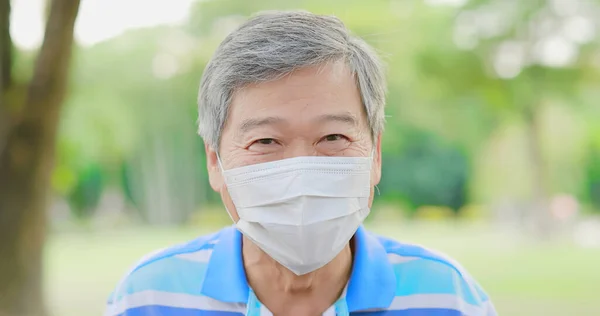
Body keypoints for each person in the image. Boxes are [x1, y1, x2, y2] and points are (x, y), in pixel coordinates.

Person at [105, 10, 497, 316]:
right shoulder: (148, 298)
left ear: (375, 154)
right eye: (265, 141)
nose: (300, 173)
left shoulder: (449, 299)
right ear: (214, 161)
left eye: (333, 137)